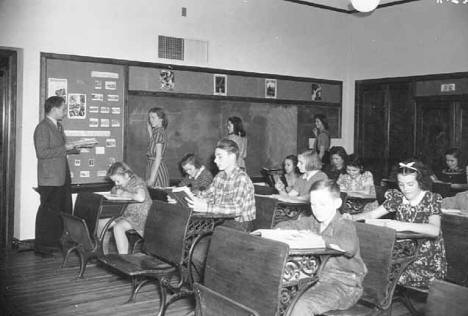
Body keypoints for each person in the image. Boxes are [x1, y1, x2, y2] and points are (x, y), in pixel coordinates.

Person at [275, 180, 367, 316]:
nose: (317, 209)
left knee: (301, 306)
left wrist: (314, 238)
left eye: (323, 204)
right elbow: (281, 226)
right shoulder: (312, 221)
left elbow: (348, 246)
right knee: (277, 295)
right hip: (315, 278)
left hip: (344, 284)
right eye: (313, 204)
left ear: (337, 203)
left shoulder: (344, 224)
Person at [353, 160, 447, 289]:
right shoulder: (398, 197)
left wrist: (402, 225)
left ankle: (382, 303)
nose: (405, 189)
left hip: (424, 261)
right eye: (401, 184)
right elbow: (371, 215)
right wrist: (351, 217)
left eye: (410, 184)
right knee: (368, 264)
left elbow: (435, 230)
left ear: (420, 182)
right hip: (402, 253)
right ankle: (377, 300)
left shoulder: (430, 199)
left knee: (380, 273)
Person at [33, 96, 80, 255]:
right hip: (50, 178)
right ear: (53, 109)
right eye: (63, 109)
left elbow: (60, 149)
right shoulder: (42, 127)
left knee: (61, 211)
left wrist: (76, 147)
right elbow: (42, 153)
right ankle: (42, 247)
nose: (65, 112)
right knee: (47, 214)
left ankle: (55, 243)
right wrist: (66, 147)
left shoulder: (58, 126)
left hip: (61, 176)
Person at [187, 138, 256, 232]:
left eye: (219, 156)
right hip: (222, 221)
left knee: (201, 237)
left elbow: (237, 209)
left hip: (240, 225)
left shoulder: (241, 178)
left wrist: (207, 207)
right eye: (215, 157)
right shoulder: (219, 176)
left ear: (232, 157)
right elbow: (207, 196)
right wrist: (185, 197)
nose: (215, 160)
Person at [99, 162, 152, 254]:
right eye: (114, 181)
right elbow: (114, 191)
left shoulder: (136, 181)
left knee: (118, 228)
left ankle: (123, 258)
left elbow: (141, 197)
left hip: (141, 215)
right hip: (127, 214)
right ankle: (104, 254)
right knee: (101, 223)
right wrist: (116, 191)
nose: (116, 183)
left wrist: (125, 193)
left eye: (117, 181)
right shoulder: (122, 182)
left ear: (126, 175)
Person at [145, 107, 170, 188]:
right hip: (153, 166)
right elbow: (153, 142)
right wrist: (149, 130)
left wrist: (152, 178)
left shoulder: (159, 133)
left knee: (157, 195)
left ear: (161, 119)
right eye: (149, 118)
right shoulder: (157, 131)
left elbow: (158, 157)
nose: (150, 120)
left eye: (153, 117)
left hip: (157, 170)